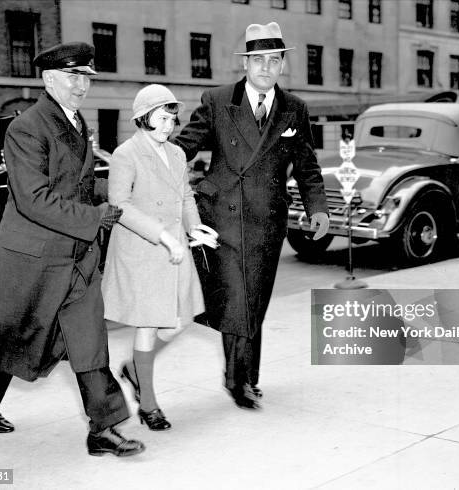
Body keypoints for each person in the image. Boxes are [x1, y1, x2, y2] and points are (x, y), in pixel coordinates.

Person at [0, 42, 145, 457]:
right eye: (72, 77)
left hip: (75, 256)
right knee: (10, 337)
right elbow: (33, 198)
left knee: (89, 340)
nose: (80, 86)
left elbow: (76, 183)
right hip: (32, 256)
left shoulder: (77, 124)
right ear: (49, 79)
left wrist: (122, 192)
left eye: (85, 77)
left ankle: (103, 429)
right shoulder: (27, 128)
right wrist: (96, 217)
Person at [173, 22, 330, 409]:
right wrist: (149, 158)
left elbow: (306, 165)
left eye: (273, 60)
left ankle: (248, 377)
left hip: (268, 219)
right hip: (223, 218)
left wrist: (319, 208)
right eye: (257, 59)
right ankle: (238, 381)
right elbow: (184, 147)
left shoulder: (295, 108)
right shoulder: (217, 100)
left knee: (254, 300)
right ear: (245, 63)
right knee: (238, 299)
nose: (265, 67)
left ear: (281, 66)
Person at [102, 84, 218, 430]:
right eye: (163, 118)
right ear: (144, 118)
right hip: (143, 249)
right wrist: (164, 235)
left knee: (181, 320)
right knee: (150, 324)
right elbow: (120, 206)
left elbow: (184, 196)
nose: (170, 126)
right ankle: (148, 405)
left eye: (172, 119)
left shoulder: (178, 154)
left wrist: (195, 228)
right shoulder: (126, 154)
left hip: (175, 249)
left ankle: (136, 369)